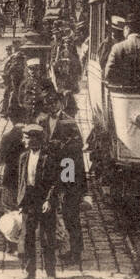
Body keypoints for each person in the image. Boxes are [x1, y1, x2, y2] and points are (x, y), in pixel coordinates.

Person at [39, 97, 87, 264]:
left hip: (67, 169)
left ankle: (76, 251)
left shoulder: (69, 122)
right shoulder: (41, 121)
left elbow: (78, 145)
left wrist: (59, 146)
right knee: (49, 211)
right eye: (47, 103)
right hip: (49, 171)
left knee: (70, 213)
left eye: (53, 102)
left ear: (60, 103)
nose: (50, 105)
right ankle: (54, 249)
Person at [15, 124, 59, 279]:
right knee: (27, 237)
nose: (23, 140)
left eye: (26, 138)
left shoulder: (50, 158)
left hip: (44, 201)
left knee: (47, 238)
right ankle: (29, 273)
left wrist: (49, 200)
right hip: (29, 201)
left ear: (35, 139)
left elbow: (55, 182)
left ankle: (50, 273)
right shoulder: (23, 157)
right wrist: (20, 201)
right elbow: (21, 180)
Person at [102, 17, 140, 89]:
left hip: (123, 93)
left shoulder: (118, 47)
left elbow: (108, 74)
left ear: (127, 28)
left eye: (124, 28)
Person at [2, 40, 28, 121]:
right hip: (13, 78)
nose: (16, 47)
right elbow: (8, 68)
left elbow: (11, 68)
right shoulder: (14, 57)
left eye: (17, 45)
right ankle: (5, 111)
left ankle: (8, 111)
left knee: (13, 94)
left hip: (18, 78)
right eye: (15, 45)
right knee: (8, 94)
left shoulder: (19, 56)